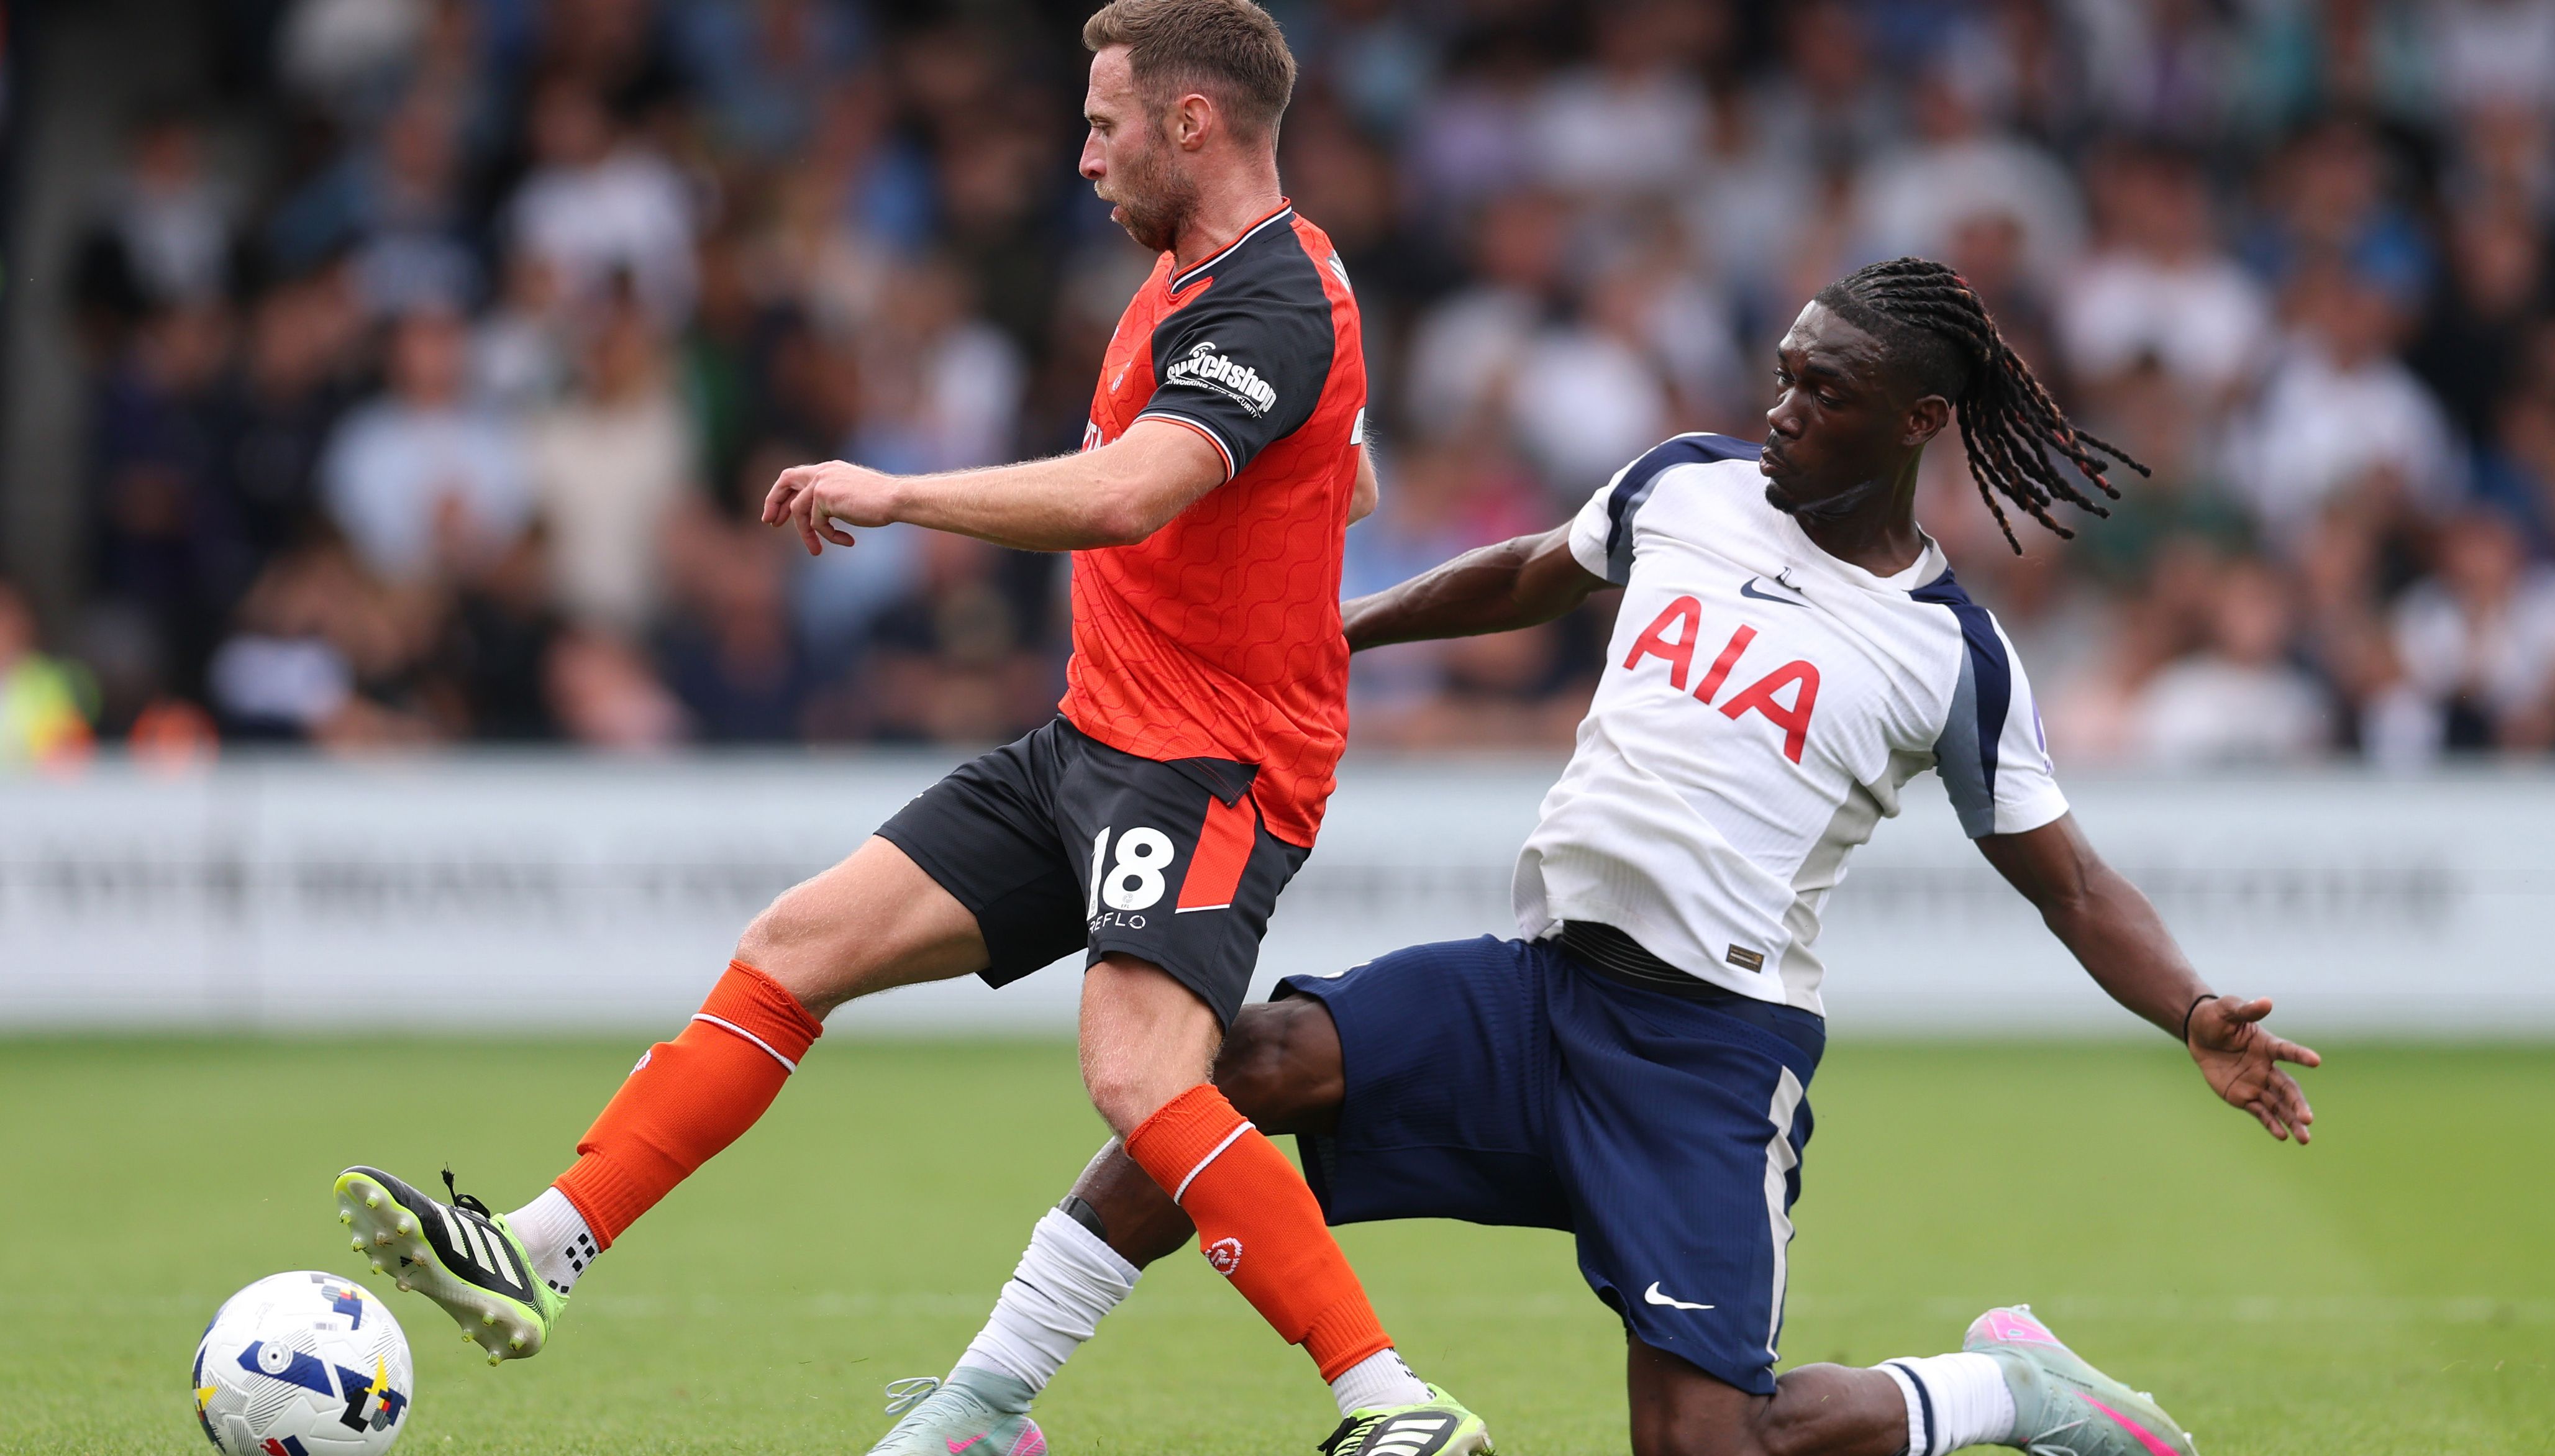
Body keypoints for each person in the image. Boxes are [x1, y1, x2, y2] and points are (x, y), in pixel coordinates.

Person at [896, 259, 2323, 1456]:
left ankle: (2002, 1387)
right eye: (1782, 372)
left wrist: (2191, 1008)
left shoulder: (1951, 651)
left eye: (1823, 393)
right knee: (1236, 1069)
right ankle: (985, 1403)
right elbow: (1525, 571)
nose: (1782, 409)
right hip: (1538, 993)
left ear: (1917, 421)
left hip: (1704, 1052)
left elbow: (2065, 878)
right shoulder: (1687, 484)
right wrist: (1332, 630)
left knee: (1710, 1442)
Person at [328, 5, 1492, 1455]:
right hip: (1092, 737)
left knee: (1141, 1080)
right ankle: (544, 1243)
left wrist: (899, 492)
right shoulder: (1200, 282)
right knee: (791, 948)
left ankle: (1392, 1401)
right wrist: (1288, 489)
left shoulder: (1269, 298)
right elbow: (1353, 478)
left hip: (1208, 765)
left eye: (1103, 123)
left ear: (1192, 124)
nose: (1082, 156)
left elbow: (1130, 493)